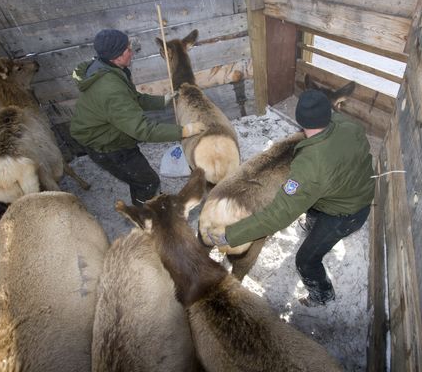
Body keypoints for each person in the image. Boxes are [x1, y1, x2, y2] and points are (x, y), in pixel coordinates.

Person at [207, 89, 375, 307]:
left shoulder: (308, 168)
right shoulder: (350, 126)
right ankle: (313, 224)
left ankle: (323, 294)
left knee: (306, 260)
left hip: (345, 215)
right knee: (313, 206)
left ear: (301, 122)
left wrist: (230, 235)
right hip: (354, 188)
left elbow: (278, 216)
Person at [70, 29, 205, 206]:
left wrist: (163, 101)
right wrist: (184, 131)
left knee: (141, 179)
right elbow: (142, 129)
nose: (131, 51)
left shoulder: (110, 70)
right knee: (147, 181)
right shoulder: (110, 89)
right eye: (127, 49)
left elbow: (134, 98)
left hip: (111, 131)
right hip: (107, 146)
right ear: (116, 56)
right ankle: (147, 215)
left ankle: (150, 200)